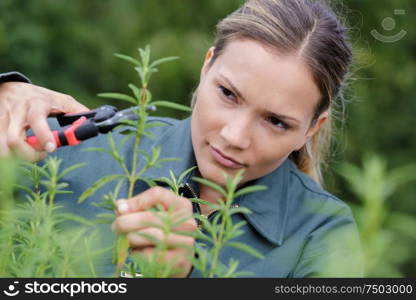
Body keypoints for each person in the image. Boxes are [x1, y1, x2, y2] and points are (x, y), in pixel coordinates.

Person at [0, 0, 363, 277]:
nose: (234, 136)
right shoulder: (77, 149)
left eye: (275, 121)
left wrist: (188, 277)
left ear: (311, 129)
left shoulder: (322, 234)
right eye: (228, 94)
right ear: (207, 66)